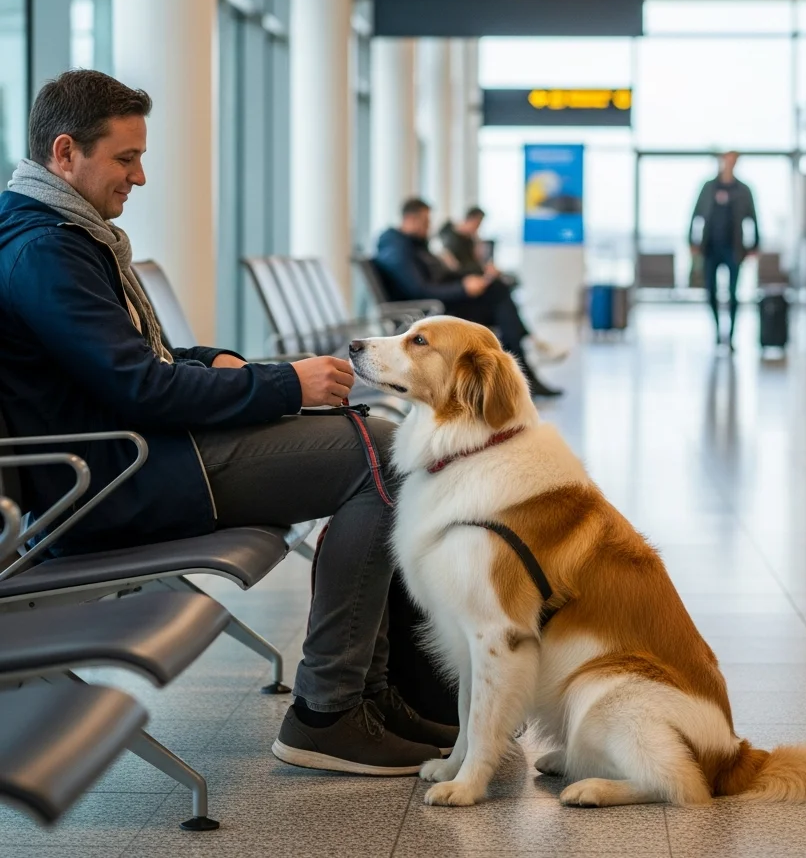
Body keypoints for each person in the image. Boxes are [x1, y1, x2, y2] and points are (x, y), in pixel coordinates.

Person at [0, 69, 457, 775]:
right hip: (114, 481)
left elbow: (134, 361)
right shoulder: (46, 250)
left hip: (135, 456)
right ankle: (331, 710)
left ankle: (377, 694)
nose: (140, 176)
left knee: (384, 445)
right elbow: (142, 389)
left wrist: (217, 359)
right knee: (385, 456)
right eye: (126, 158)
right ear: (65, 153)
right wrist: (280, 383)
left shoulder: (61, 235)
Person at [375, 199, 563, 396]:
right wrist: (462, 289)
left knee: (499, 295)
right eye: (425, 222)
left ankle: (521, 373)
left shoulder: (412, 246)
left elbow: (437, 277)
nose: (429, 227)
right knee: (499, 299)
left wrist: (468, 279)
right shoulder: (397, 250)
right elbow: (420, 291)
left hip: (440, 305)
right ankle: (524, 370)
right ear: (411, 219)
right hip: (429, 311)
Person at [439, 205, 566, 363]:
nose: (478, 228)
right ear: (471, 220)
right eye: (478, 224)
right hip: (464, 291)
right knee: (502, 295)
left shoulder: (469, 239)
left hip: (475, 283)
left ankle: (528, 343)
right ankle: (529, 344)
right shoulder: (450, 240)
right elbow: (457, 270)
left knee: (505, 290)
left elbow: (475, 265)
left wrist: (486, 267)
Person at [689, 152, 759, 349]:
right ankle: (718, 332)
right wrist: (691, 242)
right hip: (710, 248)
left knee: (732, 293)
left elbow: (753, 218)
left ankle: (731, 336)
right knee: (710, 292)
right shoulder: (709, 187)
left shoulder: (743, 190)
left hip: (734, 249)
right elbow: (695, 214)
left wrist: (754, 245)